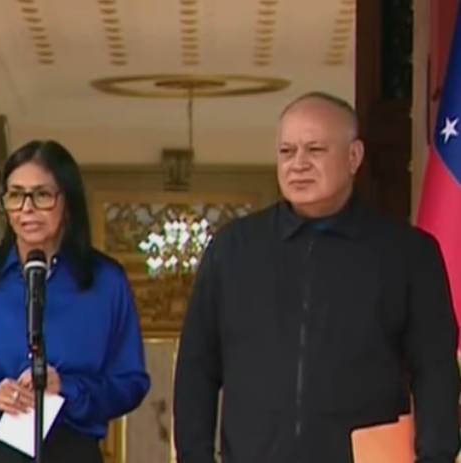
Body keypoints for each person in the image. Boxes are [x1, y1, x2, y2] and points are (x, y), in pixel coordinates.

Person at [173, 91, 460, 462]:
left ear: (354, 156)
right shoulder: (234, 249)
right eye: (286, 151)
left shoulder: (408, 253)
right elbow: (197, 367)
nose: (298, 164)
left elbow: (435, 371)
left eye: (315, 150)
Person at [0, 140, 150, 462]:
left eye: (42, 195)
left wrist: (66, 387)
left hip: (70, 448)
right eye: (16, 195)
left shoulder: (106, 282)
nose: (27, 208)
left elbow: (130, 383)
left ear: (67, 202)